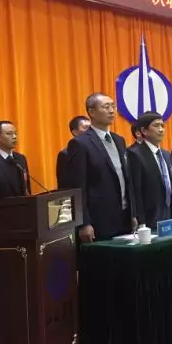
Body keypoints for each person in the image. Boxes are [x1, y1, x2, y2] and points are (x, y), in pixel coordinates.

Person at [66, 93, 133, 242]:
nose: (111, 110)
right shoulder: (80, 143)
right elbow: (77, 186)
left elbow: (126, 179)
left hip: (125, 216)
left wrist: (134, 214)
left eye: (113, 106)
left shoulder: (119, 140)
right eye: (106, 107)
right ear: (92, 112)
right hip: (99, 220)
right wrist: (84, 223)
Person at [128, 111, 172, 228]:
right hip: (149, 218)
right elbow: (136, 190)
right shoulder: (135, 154)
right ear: (144, 130)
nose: (161, 130)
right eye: (156, 126)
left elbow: (171, 187)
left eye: (162, 126)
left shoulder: (166, 154)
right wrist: (141, 221)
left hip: (169, 215)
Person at [56, 115, 90, 189]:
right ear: (75, 132)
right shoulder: (65, 154)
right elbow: (64, 185)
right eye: (86, 127)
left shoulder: (98, 150)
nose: (90, 131)